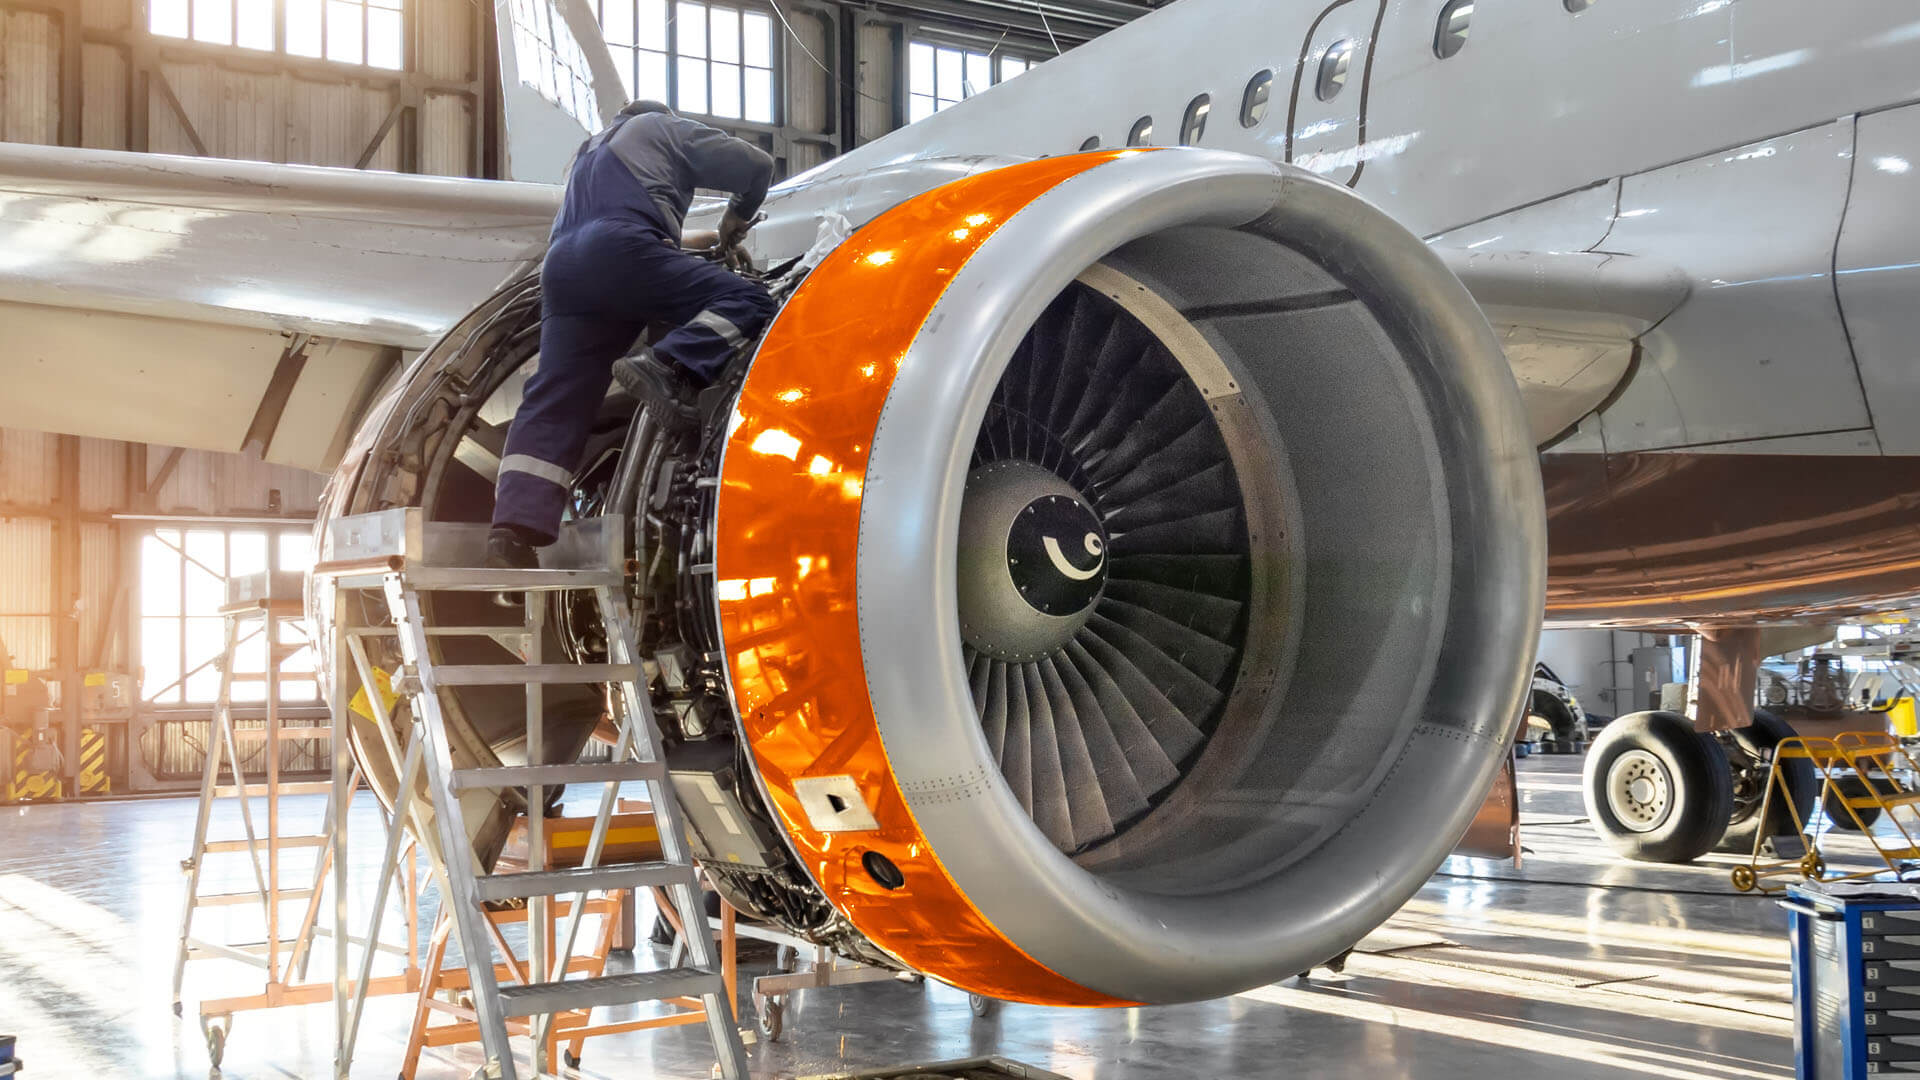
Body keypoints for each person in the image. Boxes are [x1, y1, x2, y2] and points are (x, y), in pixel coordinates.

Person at [485, 100, 777, 570]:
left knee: (557, 395)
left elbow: (614, 220)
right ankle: (670, 366)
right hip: (619, 250)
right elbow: (756, 166)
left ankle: (512, 529)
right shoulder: (660, 128)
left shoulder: (589, 153)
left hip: (563, 270)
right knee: (749, 302)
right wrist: (734, 221)